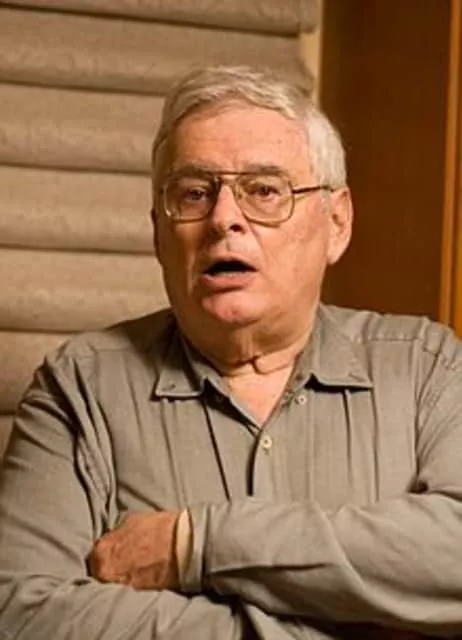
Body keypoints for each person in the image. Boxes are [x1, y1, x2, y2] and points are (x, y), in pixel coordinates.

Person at [0, 65, 462, 640]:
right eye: (194, 193)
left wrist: (195, 544)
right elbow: (21, 612)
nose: (223, 219)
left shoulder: (427, 368)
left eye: (264, 191)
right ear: (158, 233)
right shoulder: (80, 388)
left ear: (337, 222)